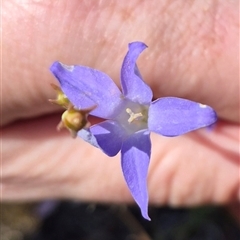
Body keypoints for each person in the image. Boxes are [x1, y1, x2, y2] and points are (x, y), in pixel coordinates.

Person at [2, 0, 239, 216]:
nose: (134, 115)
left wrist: (134, 52)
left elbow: (203, 114)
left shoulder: (134, 105)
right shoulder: (110, 125)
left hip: (155, 113)